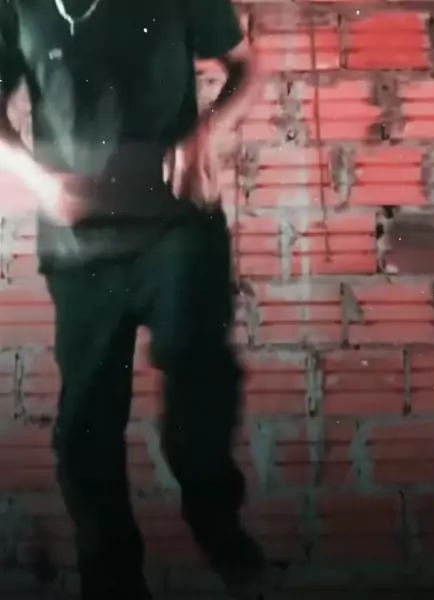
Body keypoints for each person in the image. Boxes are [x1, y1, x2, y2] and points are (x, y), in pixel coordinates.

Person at [0, 0, 267, 598]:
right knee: (86, 426)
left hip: (178, 226)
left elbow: (246, 67)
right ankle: (110, 576)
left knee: (200, 387)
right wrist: (40, 183)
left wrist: (206, 136)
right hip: (81, 243)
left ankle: (214, 517)